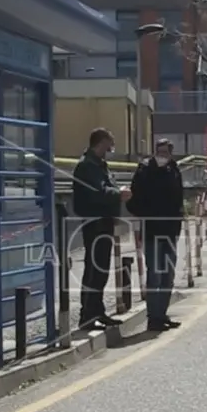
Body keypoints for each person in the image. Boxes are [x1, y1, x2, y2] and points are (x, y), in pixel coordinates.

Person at [73, 128, 131, 331]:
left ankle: (98, 312)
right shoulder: (87, 166)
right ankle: (87, 316)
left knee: (102, 270)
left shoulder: (99, 165)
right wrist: (118, 194)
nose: (111, 149)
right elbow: (98, 192)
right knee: (94, 270)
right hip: (94, 224)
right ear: (100, 143)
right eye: (109, 144)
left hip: (104, 222)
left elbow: (106, 186)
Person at [127, 139, 185, 332]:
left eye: (165, 152)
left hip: (170, 231)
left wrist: (178, 219)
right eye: (159, 152)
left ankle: (162, 314)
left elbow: (178, 198)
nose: (162, 156)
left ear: (170, 153)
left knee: (168, 275)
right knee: (155, 275)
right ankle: (154, 318)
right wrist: (147, 215)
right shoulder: (144, 171)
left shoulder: (173, 170)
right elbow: (132, 201)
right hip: (152, 231)